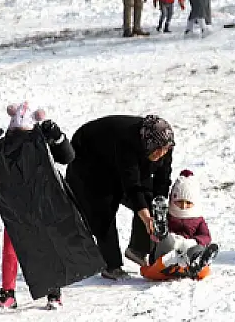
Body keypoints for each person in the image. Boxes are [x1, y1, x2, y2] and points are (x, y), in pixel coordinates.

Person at [0, 102, 96, 310]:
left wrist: (58, 138)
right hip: (18, 204)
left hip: (45, 201)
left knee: (48, 243)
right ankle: (8, 293)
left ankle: (54, 291)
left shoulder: (42, 140)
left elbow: (67, 157)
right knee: (12, 245)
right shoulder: (5, 145)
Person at [65, 115, 174, 280]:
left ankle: (138, 249)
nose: (161, 154)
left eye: (164, 150)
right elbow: (131, 184)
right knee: (104, 209)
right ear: (148, 144)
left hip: (128, 162)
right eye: (157, 150)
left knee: (149, 199)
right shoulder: (127, 142)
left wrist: (159, 208)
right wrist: (145, 216)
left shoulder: (165, 146)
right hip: (91, 159)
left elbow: (162, 179)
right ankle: (111, 265)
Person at [140, 170, 219, 281]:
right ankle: (161, 227)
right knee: (166, 239)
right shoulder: (169, 216)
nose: (183, 206)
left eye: (188, 202)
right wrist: (157, 235)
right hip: (167, 253)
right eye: (179, 202)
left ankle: (199, 261)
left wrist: (193, 241)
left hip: (187, 252)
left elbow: (206, 237)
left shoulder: (198, 220)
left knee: (198, 248)